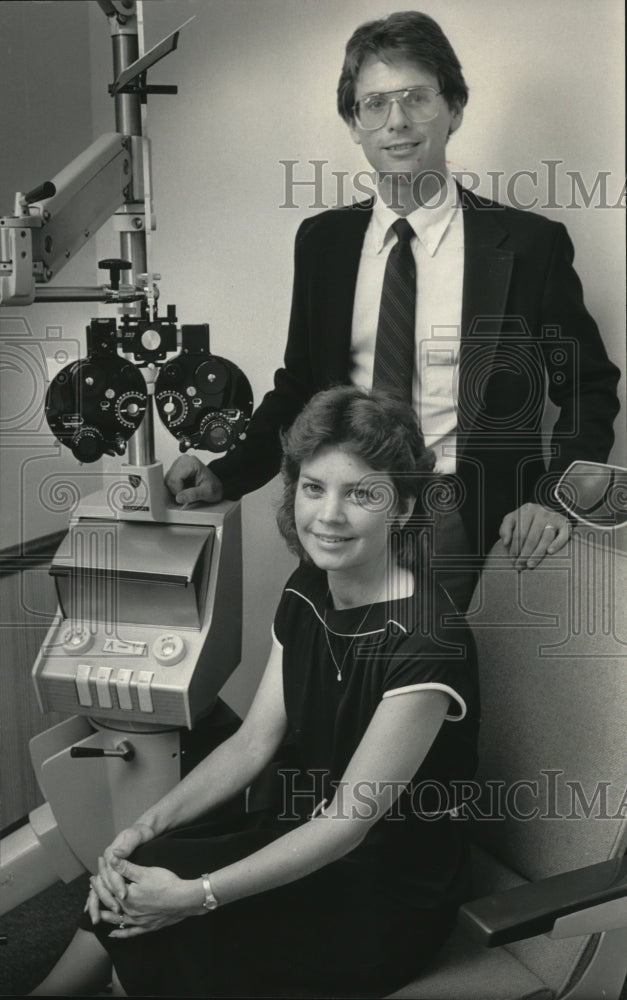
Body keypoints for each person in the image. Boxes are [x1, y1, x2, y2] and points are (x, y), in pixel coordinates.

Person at [32, 386, 479, 998]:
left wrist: (198, 898)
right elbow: (252, 743)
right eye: (315, 487)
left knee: (176, 914)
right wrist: (141, 828)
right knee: (150, 860)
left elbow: (348, 824)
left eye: (361, 494)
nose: (329, 515)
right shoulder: (308, 585)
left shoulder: (428, 642)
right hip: (300, 830)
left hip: (384, 892)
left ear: (400, 509)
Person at [166, 10, 620, 587]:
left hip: (468, 524)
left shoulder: (531, 245)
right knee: (334, 673)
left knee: (448, 676)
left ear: (454, 108)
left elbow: (588, 388)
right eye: (374, 104)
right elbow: (301, 386)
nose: (397, 121)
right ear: (354, 123)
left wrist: (555, 499)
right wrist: (225, 476)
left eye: (417, 98)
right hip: (341, 515)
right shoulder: (323, 242)